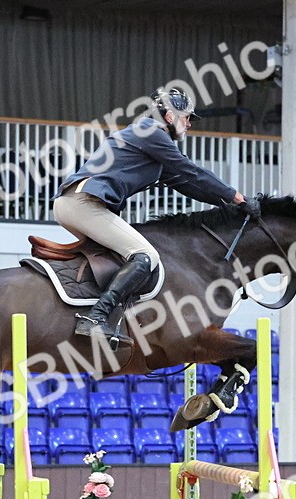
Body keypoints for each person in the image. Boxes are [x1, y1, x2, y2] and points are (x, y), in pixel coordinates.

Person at [52, 87, 257, 343]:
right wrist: (237, 196)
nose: (190, 124)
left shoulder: (151, 146)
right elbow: (191, 171)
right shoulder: (151, 132)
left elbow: (187, 183)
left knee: (121, 257)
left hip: (78, 204)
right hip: (83, 204)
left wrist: (230, 206)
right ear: (169, 116)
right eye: (187, 117)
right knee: (146, 255)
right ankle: (96, 317)